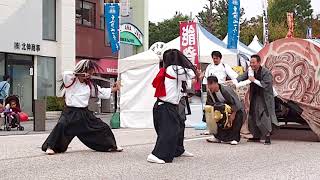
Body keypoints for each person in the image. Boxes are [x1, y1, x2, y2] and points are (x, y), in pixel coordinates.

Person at [42, 59, 123, 155]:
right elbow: (66, 74)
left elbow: (102, 92)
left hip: (84, 113)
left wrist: (116, 88)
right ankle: (51, 147)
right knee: (61, 126)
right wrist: (79, 74)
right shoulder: (71, 81)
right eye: (88, 72)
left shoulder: (89, 85)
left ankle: (110, 146)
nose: (89, 74)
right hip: (70, 112)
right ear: (83, 70)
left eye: (91, 72)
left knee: (103, 127)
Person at [148, 49, 198, 164]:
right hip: (164, 106)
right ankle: (155, 154)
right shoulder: (172, 69)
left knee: (176, 129)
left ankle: (177, 150)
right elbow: (191, 73)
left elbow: (186, 82)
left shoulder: (172, 71)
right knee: (168, 131)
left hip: (168, 106)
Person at [234, 55, 279, 145]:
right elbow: (242, 77)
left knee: (263, 115)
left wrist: (254, 80)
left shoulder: (266, 72)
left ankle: (267, 136)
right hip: (254, 95)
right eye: (250, 62)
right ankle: (256, 135)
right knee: (253, 115)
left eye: (253, 62)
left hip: (265, 97)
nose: (251, 64)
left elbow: (265, 85)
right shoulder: (251, 71)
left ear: (259, 62)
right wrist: (234, 81)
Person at [205, 76, 244, 145]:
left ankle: (234, 138)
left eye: (210, 85)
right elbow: (209, 104)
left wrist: (233, 114)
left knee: (238, 116)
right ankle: (218, 137)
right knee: (215, 116)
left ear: (215, 83)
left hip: (234, 109)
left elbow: (236, 102)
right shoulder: (210, 93)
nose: (209, 87)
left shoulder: (226, 90)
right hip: (221, 110)